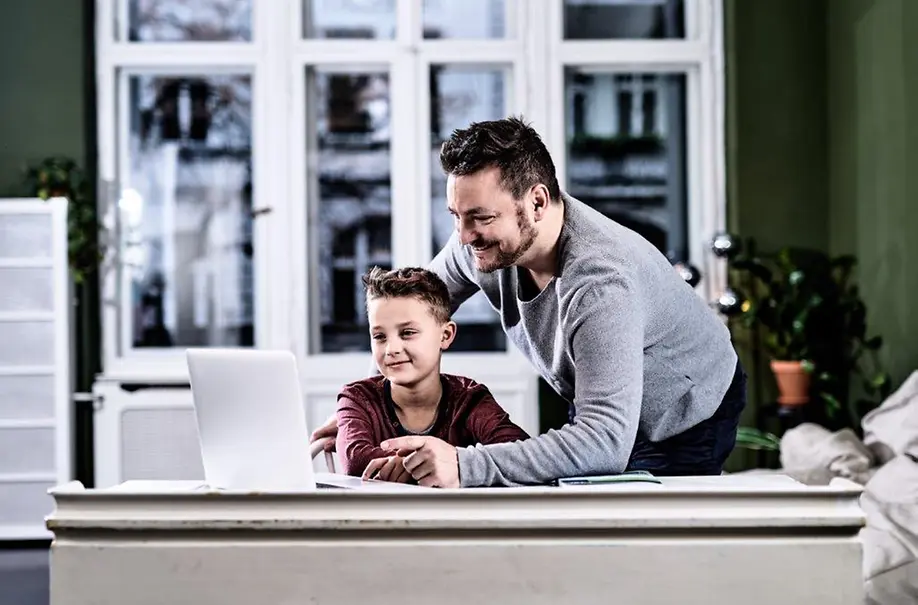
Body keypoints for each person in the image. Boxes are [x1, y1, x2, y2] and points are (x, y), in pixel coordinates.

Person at [313, 116, 746, 488]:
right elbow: (405, 312)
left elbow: (604, 443)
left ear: (536, 202)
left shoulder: (600, 284)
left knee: (627, 544)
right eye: (457, 217)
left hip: (683, 410)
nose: (464, 237)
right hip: (607, 408)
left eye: (481, 218)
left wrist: (464, 464)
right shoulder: (484, 243)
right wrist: (372, 407)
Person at [335, 266, 529, 482]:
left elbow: (517, 455)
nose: (391, 349)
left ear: (445, 335)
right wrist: (439, 464)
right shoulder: (357, 397)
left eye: (407, 333)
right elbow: (356, 462)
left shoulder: (469, 398)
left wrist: (447, 464)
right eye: (380, 336)